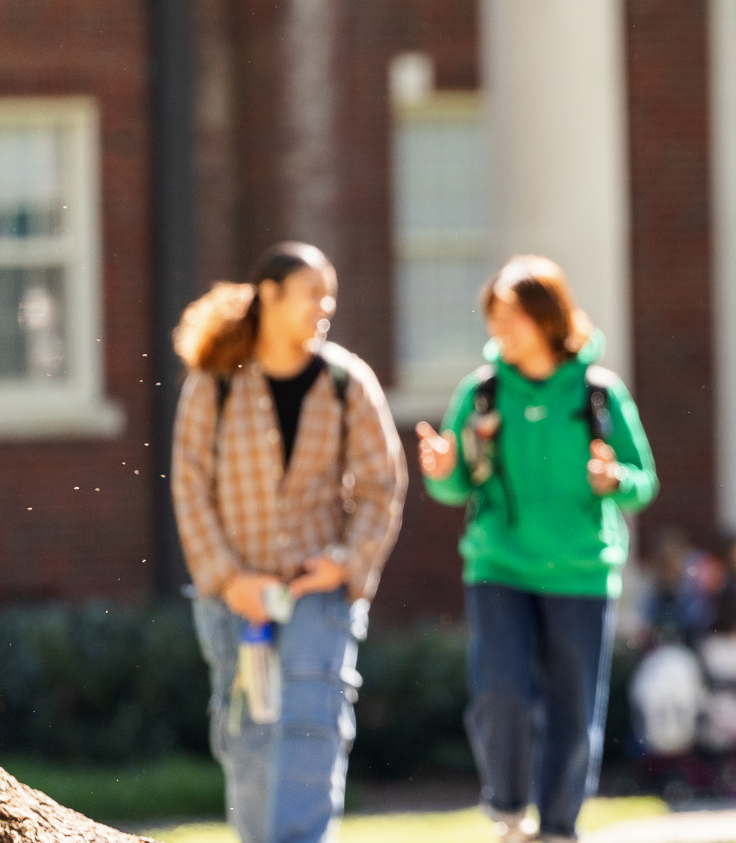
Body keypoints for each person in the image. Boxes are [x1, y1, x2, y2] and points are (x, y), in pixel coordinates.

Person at [171, 241, 408, 843]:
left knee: (312, 725)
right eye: (312, 292)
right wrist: (229, 580)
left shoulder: (346, 382)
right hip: (235, 599)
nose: (324, 306)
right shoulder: (215, 383)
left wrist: (347, 564)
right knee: (247, 735)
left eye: (329, 294)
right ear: (269, 297)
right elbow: (191, 486)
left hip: (318, 593)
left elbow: (383, 486)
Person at [417, 255, 659, 843]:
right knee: (500, 691)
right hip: (499, 565)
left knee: (573, 711)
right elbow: (455, 484)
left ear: (547, 317)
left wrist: (614, 480)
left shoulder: (600, 392)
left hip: (580, 571)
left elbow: (642, 481)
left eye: (513, 316)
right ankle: (506, 810)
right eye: (494, 316)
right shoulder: (482, 394)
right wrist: (445, 470)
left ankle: (556, 829)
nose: (500, 329)